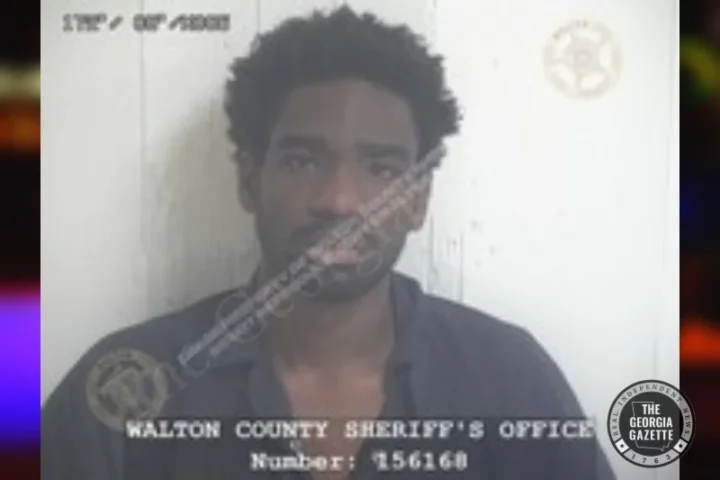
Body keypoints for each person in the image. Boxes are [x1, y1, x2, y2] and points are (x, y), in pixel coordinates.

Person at [42, 6, 616, 480]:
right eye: (302, 160)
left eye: (381, 168)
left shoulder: (509, 377)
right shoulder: (124, 389)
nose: (340, 201)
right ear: (250, 181)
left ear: (418, 201)